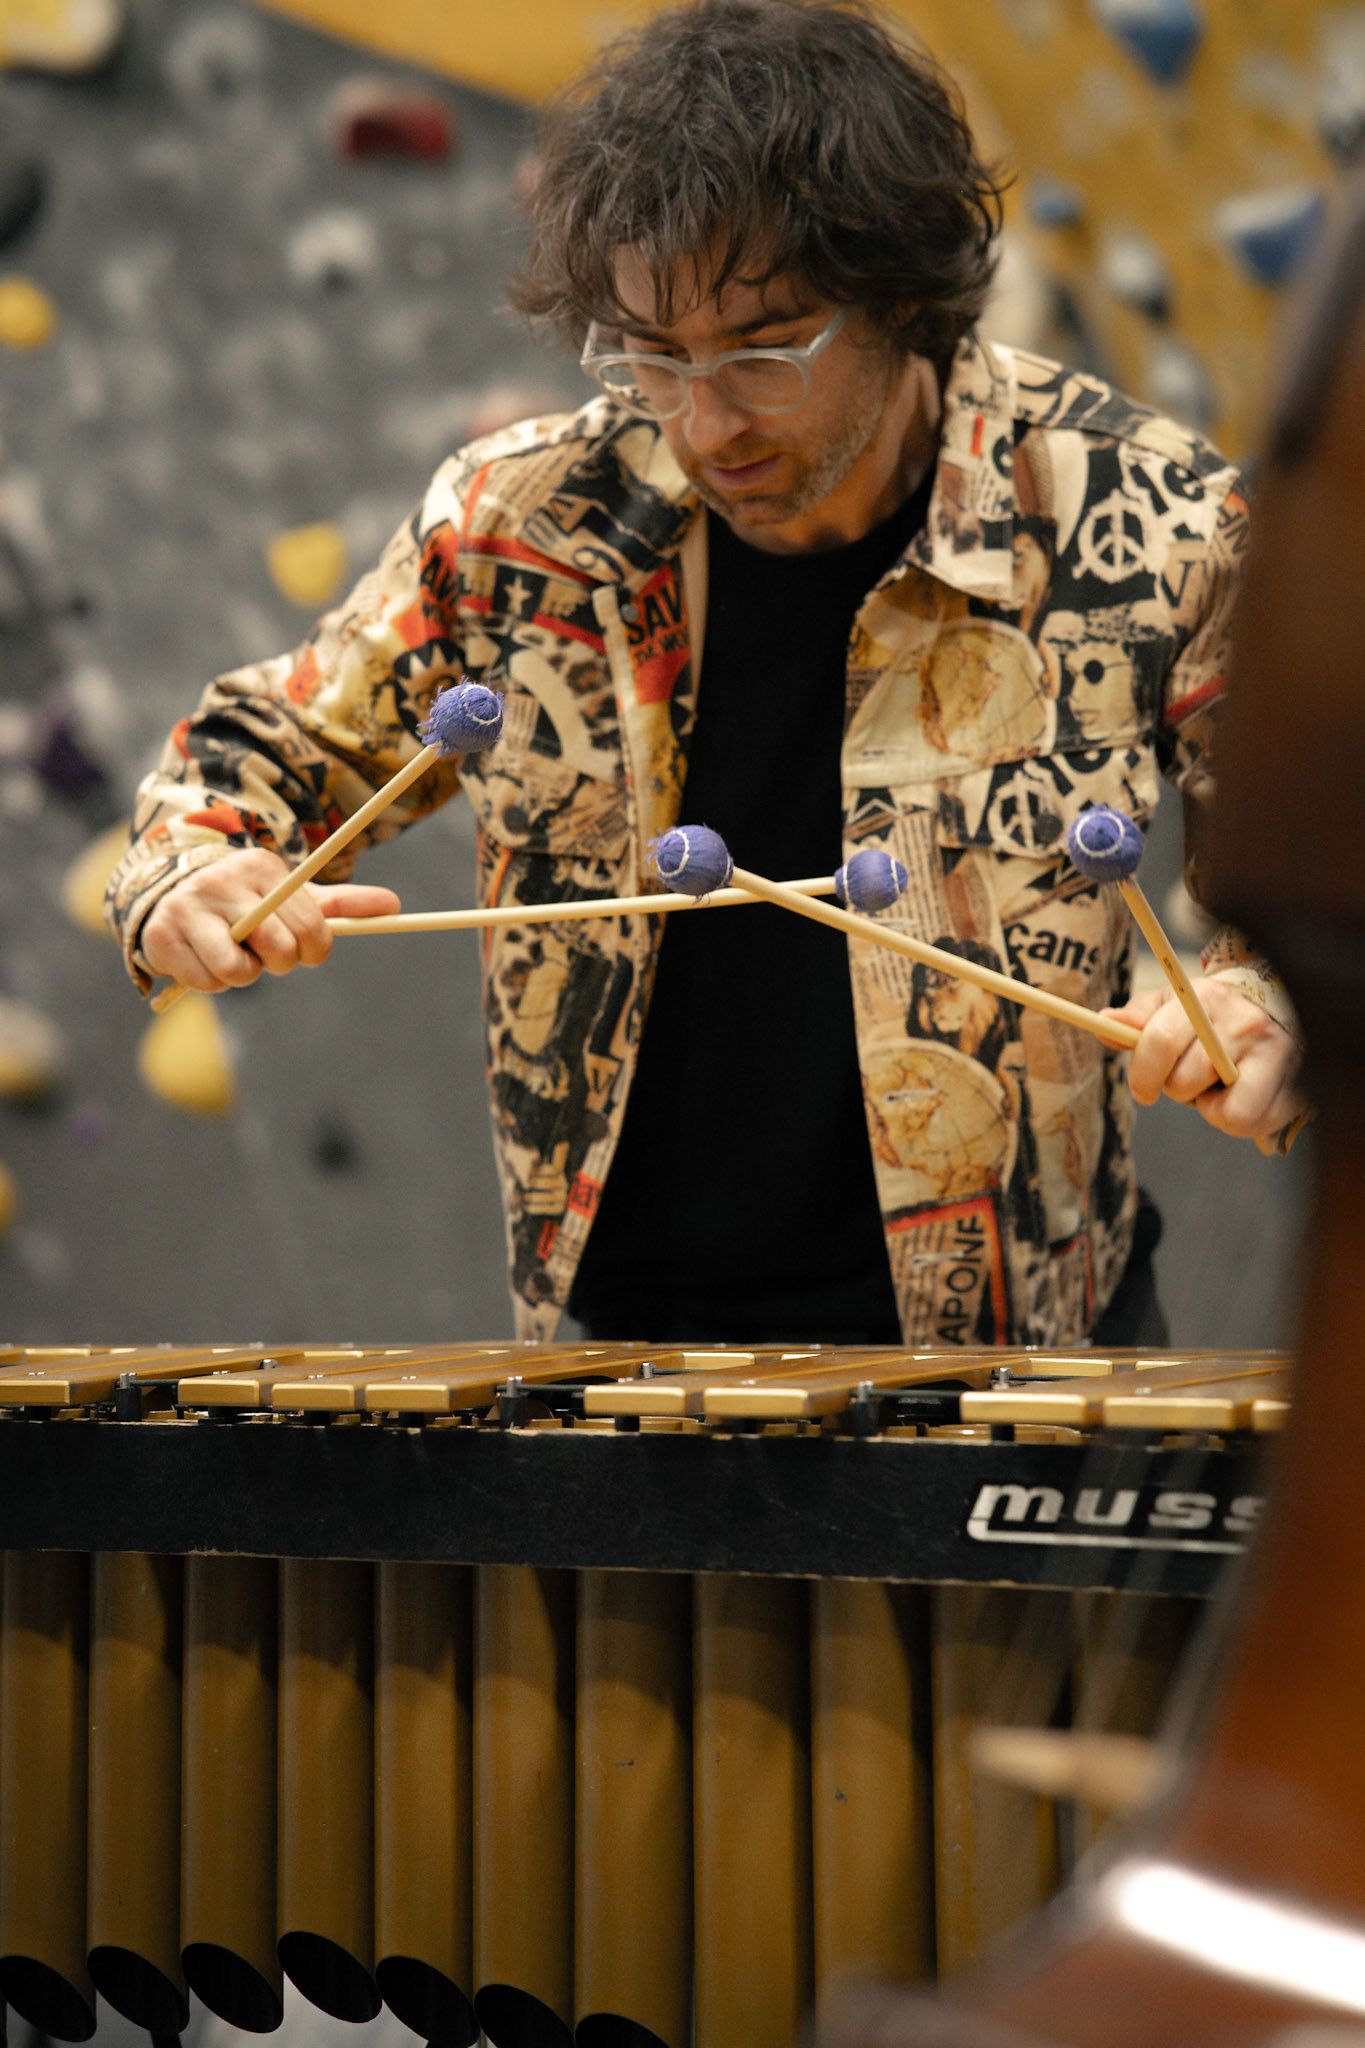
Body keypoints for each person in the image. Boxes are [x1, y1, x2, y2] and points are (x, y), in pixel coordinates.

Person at [105, 0, 1304, 1348]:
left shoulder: (1141, 522)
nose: (701, 418)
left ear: (899, 292)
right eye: (651, 355)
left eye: (761, 350)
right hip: (612, 1372)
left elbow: (1323, 881)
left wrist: (1266, 1006)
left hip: (1021, 1367)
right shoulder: (525, 526)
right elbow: (254, 754)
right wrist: (192, 869)